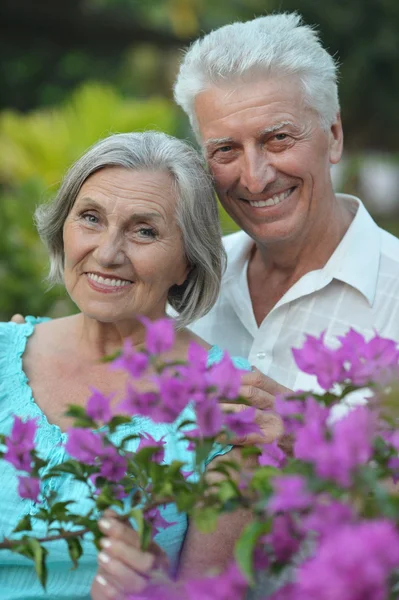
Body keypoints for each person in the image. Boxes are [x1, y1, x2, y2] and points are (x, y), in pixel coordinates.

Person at [0, 131, 283, 599]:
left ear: (187, 263)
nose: (108, 253)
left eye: (144, 230)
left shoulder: (227, 406)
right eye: (90, 218)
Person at [173, 12, 399, 400]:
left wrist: (303, 435)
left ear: (333, 135)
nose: (255, 179)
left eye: (278, 138)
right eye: (225, 149)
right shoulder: (182, 281)